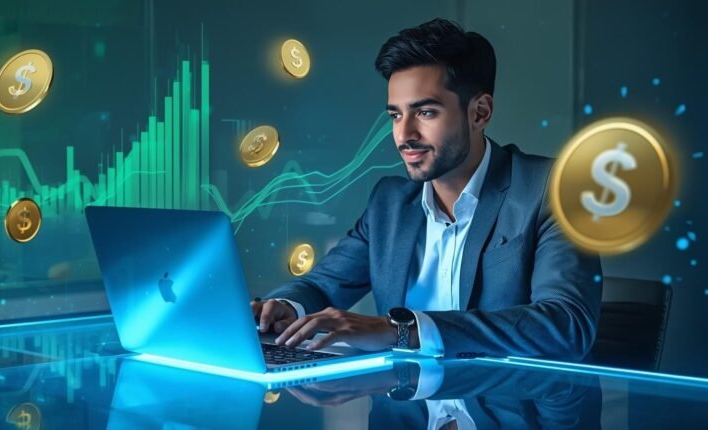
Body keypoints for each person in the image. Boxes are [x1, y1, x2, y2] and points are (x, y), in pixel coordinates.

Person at [251, 18, 601, 360]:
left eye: (426, 113)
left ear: (480, 113)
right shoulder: (390, 204)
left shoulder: (549, 190)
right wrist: (283, 307)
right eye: (395, 116)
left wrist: (402, 331)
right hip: (406, 408)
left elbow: (566, 325)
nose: (404, 136)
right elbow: (321, 286)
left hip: (505, 410)